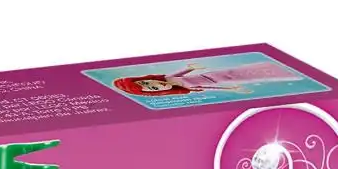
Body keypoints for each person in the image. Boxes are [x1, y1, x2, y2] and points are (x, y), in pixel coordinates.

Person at [113, 59, 304, 97]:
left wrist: (190, 68)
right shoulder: (183, 89)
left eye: (147, 82)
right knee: (246, 77)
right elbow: (209, 88)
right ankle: (281, 74)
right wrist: (232, 89)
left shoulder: (170, 79)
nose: (155, 84)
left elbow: (182, 73)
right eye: (152, 88)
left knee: (243, 70)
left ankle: (271, 67)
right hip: (219, 81)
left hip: (213, 74)